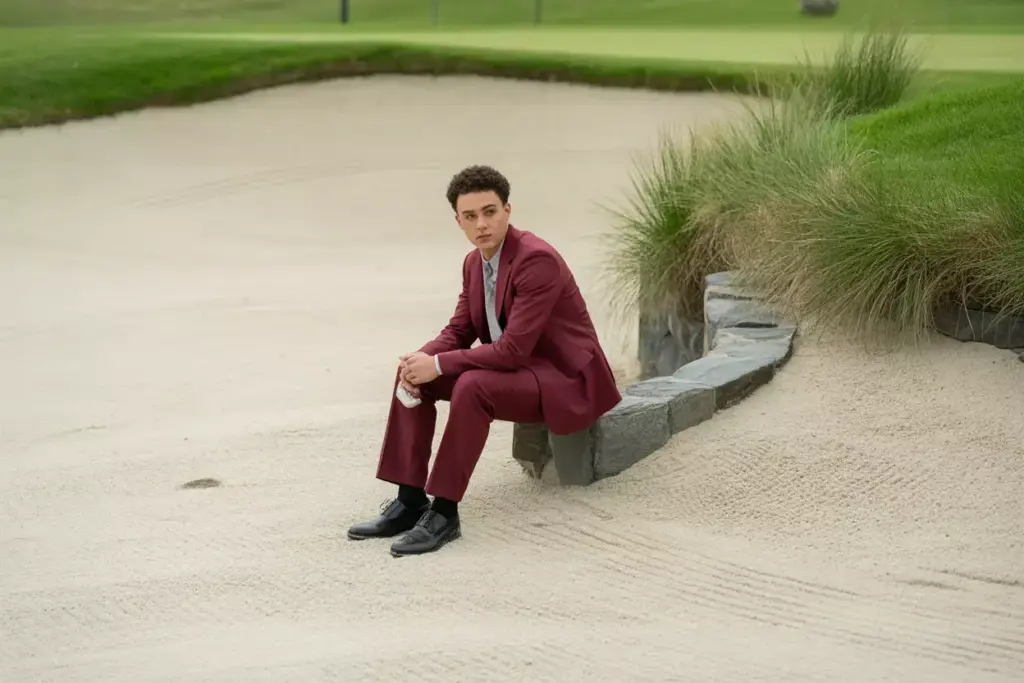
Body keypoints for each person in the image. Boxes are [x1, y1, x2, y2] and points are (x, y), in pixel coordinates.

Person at [347, 165, 622, 557]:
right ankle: (410, 501)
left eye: (490, 212)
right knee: (411, 371)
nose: (482, 224)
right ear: (458, 221)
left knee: (472, 386)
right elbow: (459, 329)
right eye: (471, 216)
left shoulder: (536, 260)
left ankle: (444, 513)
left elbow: (513, 350)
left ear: (508, 210)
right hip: (517, 371)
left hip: (562, 378)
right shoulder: (474, 264)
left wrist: (438, 365)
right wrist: (421, 360)